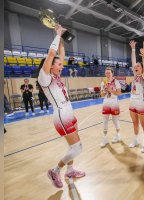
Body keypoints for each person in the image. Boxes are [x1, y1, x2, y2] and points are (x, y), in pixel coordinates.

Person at [38, 25, 85, 188]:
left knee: (73, 146)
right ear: (50, 65)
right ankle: (55, 170)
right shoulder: (45, 78)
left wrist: (62, 38)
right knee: (78, 148)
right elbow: (52, 54)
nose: (62, 66)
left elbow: (60, 54)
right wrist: (57, 34)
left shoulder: (56, 75)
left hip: (69, 113)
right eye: (59, 64)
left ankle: (70, 170)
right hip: (61, 116)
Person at [128, 34, 144, 153]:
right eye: (135, 66)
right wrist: (132, 49)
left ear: (142, 69)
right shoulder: (135, 76)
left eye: (138, 66)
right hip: (132, 101)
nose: (135, 67)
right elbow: (133, 60)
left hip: (141, 102)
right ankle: (136, 139)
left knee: (143, 124)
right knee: (134, 122)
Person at [100, 67, 122, 147]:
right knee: (105, 120)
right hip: (106, 102)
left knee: (115, 119)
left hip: (114, 101)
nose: (107, 74)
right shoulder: (103, 82)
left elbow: (119, 93)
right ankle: (105, 138)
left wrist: (111, 90)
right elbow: (101, 95)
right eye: (106, 73)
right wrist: (105, 91)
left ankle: (118, 134)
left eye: (109, 73)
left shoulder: (116, 82)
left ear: (112, 73)